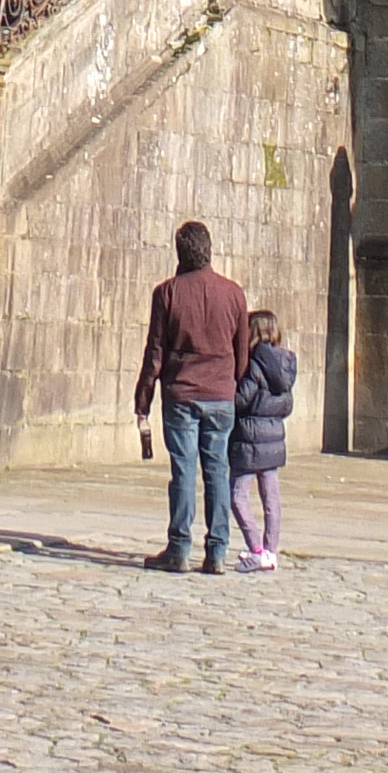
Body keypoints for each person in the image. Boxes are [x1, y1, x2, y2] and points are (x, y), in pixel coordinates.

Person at [132, 220, 250, 574]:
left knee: (183, 471)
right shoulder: (233, 294)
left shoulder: (167, 293)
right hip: (220, 393)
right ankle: (217, 551)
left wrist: (143, 400)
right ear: (208, 250)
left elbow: (155, 353)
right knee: (217, 470)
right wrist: (230, 383)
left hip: (182, 392)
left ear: (179, 251)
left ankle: (179, 547)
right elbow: (242, 352)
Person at [229, 305, 299, 571]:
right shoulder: (286, 365)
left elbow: (241, 399)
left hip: (248, 439)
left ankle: (256, 548)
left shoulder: (255, 363)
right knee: (271, 499)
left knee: (237, 495)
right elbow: (287, 406)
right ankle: (270, 550)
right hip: (273, 440)